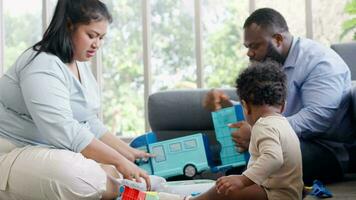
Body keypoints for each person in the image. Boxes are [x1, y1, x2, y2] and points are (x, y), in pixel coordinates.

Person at [0, 0, 152, 199]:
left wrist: (128, 153)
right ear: (69, 25)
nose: (97, 44)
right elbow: (64, 130)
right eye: (91, 35)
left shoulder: (78, 65)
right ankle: (127, 189)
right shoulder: (41, 63)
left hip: (46, 150)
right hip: (11, 149)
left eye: (101, 38)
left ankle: (126, 186)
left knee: (107, 172)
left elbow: (88, 121)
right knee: (81, 177)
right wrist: (119, 161)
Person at [204, 8, 353, 185]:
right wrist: (233, 107)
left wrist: (261, 131)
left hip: (327, 150)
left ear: (278, 39)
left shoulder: (320, 62)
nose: (249, 53)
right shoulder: (272, 64)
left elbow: (318, 117)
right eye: (247, 47)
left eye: (255, 46)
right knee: (210, 157)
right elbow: (268, 108)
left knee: (264, 162)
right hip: (278, 140)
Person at [189, 60, 303, 200]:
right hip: (289, 193)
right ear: (283, 106)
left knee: (224, 190)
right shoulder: (283, 123)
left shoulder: (263, 125)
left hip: (274, 194)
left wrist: (242, 180)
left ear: (245, 106)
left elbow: (274, 157)